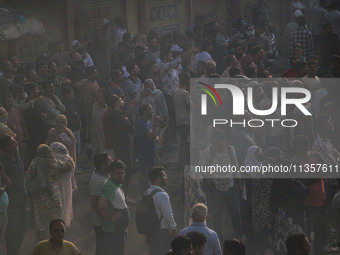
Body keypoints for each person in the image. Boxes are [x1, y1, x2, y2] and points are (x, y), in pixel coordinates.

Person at [25, 144, 73, 241]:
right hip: (54, 195)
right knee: (57, 219)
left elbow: (27, 178)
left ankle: (41, 244)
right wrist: (71, 160)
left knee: (41, 222)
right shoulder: (53, 161)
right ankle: (57, 241)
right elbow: (66, 167)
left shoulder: (35, 162)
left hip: (40, 196)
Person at [0, 136, 25, 255]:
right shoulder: (3, 162)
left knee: (22, 228)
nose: (15, 142)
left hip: (22, 199)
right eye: (12, 142)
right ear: (6, 147)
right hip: (12, 201)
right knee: (12, 231)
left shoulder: (18, 157)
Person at [98, 160, 129, 255]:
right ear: (111, 173)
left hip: (120, 229)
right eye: (118, 173)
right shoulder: (110, 186)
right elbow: (101, 205)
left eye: (122, 173)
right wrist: (110, 218)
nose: (121, 175)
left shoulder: (116, 185)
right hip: (114, 230)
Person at [145, 167, 177, 255]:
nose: (166, 178)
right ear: (158, 178)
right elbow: (168, 215)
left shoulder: (146, 193)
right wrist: (174, 230)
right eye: (164, 176)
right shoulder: (162, 195)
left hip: (149, 233)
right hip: (162, 233)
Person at [89, 152, 112, 255]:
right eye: (109, 161)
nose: (112, 162)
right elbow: (95, 203)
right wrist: (105, 218)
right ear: (103, 164)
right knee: (103, 249)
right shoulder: (98, 181)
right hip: (102, 222)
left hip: (107, 220)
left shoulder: (104, 174)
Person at [50, 142, 76, 228]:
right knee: (66, 204)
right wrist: (73, 185)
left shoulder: (52, 161)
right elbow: (72, 176)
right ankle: (65, 223)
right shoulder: (70, 160)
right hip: (67, 187)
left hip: (55, 188)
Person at [135, 104, 159, 195]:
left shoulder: (147, 122)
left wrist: (154, 138)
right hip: (145, 154)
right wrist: (156, 124)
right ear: (144, 112)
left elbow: (155, 138)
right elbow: (153, 137)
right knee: (145, 177)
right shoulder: (141, 124)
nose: (152, 111)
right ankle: (143, 195)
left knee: (149, 176)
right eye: (150, 109)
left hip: (151, 153)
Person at [174, 72, 191, 173]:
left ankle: (180, 164)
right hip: (186, 121)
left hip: (179, 121)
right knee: (186, 144)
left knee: (182, 144)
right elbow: (190, 107)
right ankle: (184, 165)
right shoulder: (185, 93)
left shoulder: (176, 91)